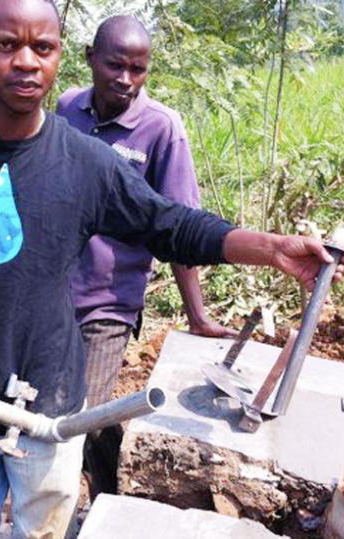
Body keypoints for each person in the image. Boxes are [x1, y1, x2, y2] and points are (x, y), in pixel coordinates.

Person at [0, 1, 344, 537]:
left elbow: (171, 225)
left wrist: (270, 248)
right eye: (7, 44)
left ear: (59, 57)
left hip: (51, 408)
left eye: (42, 46)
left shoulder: (84, 163)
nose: (26, 61)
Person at [57, 16, 236, 496]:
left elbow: (178, 229)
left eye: (138, 69)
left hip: (108, 302)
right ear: (90, 58)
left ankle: (106, 500)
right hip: (51, 295)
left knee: (82, 411)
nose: (126, 79)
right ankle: (108, 488)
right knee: (63, 409)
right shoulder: (66, 108)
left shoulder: (161, 129)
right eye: (116, 65)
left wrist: (197, 314)